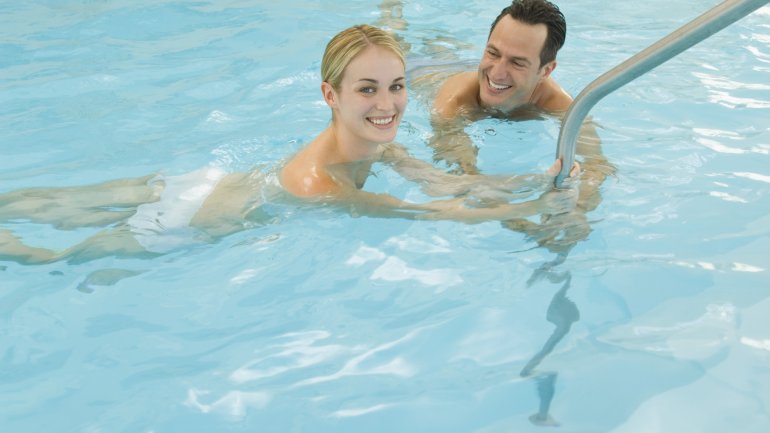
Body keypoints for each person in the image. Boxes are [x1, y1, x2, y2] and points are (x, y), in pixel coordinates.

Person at [0, 24, 576, 266]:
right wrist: (533, 212)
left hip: (198, 184)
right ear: (331, 94)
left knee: (48, 203)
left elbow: (444, 183)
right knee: (53, 259)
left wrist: (529, 183)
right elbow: (427, 212)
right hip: (189, 220)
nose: (389, 104)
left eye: (397, 87)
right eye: (368, 90)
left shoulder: (375, 143)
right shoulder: (319, 183)